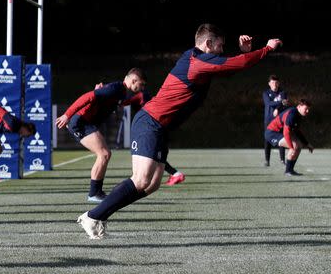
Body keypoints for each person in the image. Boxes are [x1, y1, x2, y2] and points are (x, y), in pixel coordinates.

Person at [77, 24, 282, 239]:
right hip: (150, 122)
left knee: (151, 184)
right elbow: (232, 65)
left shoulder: (199, 61)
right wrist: (266, 49)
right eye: (220, 46)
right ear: (208, 44)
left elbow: (229, 68)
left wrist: (244, 54)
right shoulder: (196, 61)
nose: (222, 50)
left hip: (160, 127)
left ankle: (97, 217)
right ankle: (92, 216)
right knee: (140, 179)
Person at [55, 68, 148, 202]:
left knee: (104, 154)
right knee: (104, 154)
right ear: (134, 81)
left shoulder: (120, 92)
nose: (142, 88)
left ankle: (96, 192)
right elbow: (88, 97)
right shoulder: (116, 88)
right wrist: (67, 115)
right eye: (142, 84)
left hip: (84, 122)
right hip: (80, 122)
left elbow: (107, 100)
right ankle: (94, 193)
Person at [0, 94, 37, 181]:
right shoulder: (14, 124)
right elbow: (3, 112)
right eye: (27, 134)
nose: (25, 136)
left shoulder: (17, 127)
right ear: (27, 128)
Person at [265, 99, 313, 176]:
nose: (307, 111)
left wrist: (307, 143)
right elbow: (286, 132)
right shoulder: (293, 114)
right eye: (306, 109)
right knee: (295, 146)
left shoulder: (298, 115)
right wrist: (291, 147)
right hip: (272, 133)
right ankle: (287, 171)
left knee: (299, 145)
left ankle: (290, 170)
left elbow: (297, 131)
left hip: (280, 133)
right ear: (299, 106)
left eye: (308, 109)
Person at [262, 74, 288, 166]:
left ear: (279, 83)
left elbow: (285, 104)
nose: (274, 84)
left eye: (276, 82)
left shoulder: (282, 93)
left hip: (280, 120)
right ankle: (267, 160)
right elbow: (269, 103)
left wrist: (277, 108)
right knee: (267, 139)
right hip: (269, 120)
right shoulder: (266, 93)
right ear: (269, 83)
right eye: (272, 82)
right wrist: (280, 103)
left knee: (282, 138)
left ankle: (282, 160)